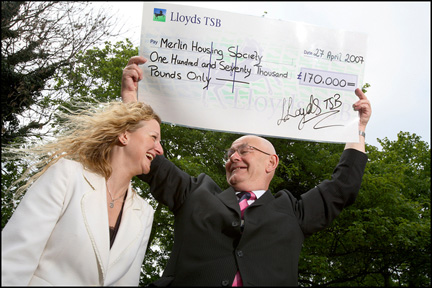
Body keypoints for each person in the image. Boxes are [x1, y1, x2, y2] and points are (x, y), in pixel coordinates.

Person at [122, 56, 371, 286]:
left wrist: (357, 128)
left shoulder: (293, 212)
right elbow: (147, 157)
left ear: (271, 163)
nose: (234, 157)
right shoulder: (194, 193)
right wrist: (130, 101)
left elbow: (343, 186)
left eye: (244, 150)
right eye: (230, 153)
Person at [1, 101, 164, 286]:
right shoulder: (67, 175)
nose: (160, 150)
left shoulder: (145, 212)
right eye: (154, 137)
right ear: (125, 135)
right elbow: (14, 260)